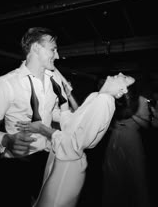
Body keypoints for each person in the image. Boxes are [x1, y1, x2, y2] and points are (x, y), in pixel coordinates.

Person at [0, 27, 73, 206]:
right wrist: (6, 140)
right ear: (36, 48)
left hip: (48, 159)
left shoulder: (55, 80)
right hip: (18, 163)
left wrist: (77, 118)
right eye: (53, 49)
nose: (57, 56)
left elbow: (50, 112)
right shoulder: (6, 83)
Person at [16, 72, 135, 207]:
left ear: (121, 91)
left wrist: (41, 129)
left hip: (68, 165)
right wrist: (63, 97)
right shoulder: (97, 97)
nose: (119, 73)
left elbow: (74, 144)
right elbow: (70, 123)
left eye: (124, 77)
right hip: (63, 159)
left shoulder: (105, 101)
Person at [101, 81, 151, 207]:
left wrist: (131, 112)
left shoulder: (141, 100)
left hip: (131, 138)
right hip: (116, 137)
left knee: (136, 173)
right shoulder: (115, 97)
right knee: (112, 173)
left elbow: (146, 124)